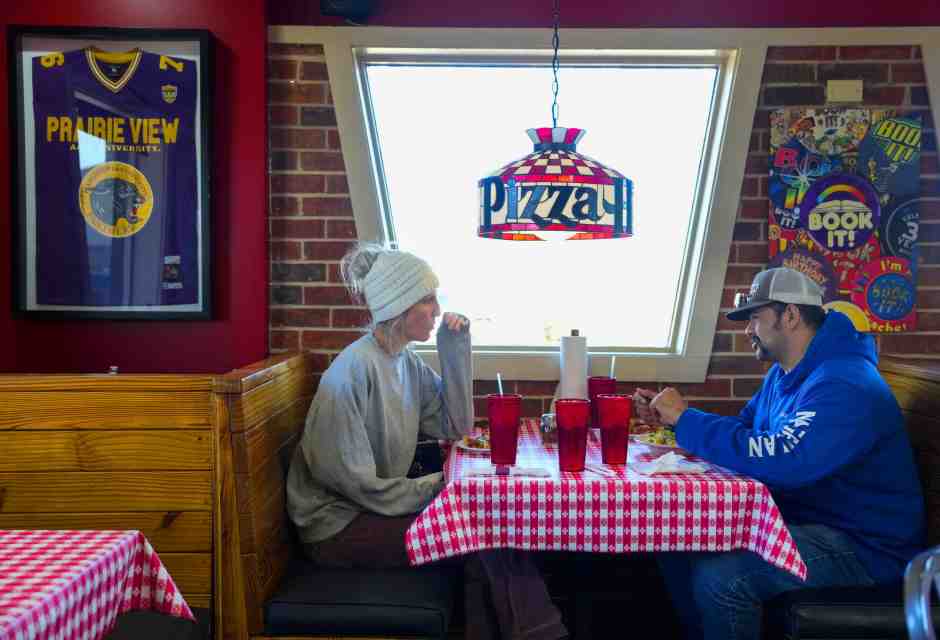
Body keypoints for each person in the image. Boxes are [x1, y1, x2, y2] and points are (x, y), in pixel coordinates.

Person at [286, 243, 567, 640]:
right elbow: (355, 484)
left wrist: (454, 349)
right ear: (399, 306)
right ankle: (544, 633)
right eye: (428, 300)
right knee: (478, 537)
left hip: (375, 507)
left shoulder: (404, 361)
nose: (437, 310)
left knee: (489, 530)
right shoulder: (351, 372)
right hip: (336, 526)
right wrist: (438, 489)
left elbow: (456, 425)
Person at [634, 266, 925, 640]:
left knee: (724, 576)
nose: (747, 330)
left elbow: (787, 460)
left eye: (755, 317)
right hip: (814, 523)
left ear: (789, 315)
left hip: (865, 547)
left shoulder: (843, 383)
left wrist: (688, 420)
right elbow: (747, 434)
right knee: (678, 537)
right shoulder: (786, 374)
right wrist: (677, 423)